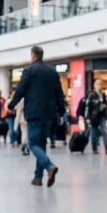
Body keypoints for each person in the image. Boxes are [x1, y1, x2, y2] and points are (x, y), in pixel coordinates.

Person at [8, 45, 65, 187]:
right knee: (42, 144)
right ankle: (38, 177)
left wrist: (11, 105)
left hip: (34, 113)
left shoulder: (29, 70)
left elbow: (20, 90)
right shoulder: (52, 72)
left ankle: (49, 166)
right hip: (49, 114)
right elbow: (59, 94)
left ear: (33, 56)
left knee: (32, 143)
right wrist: (62, 112)